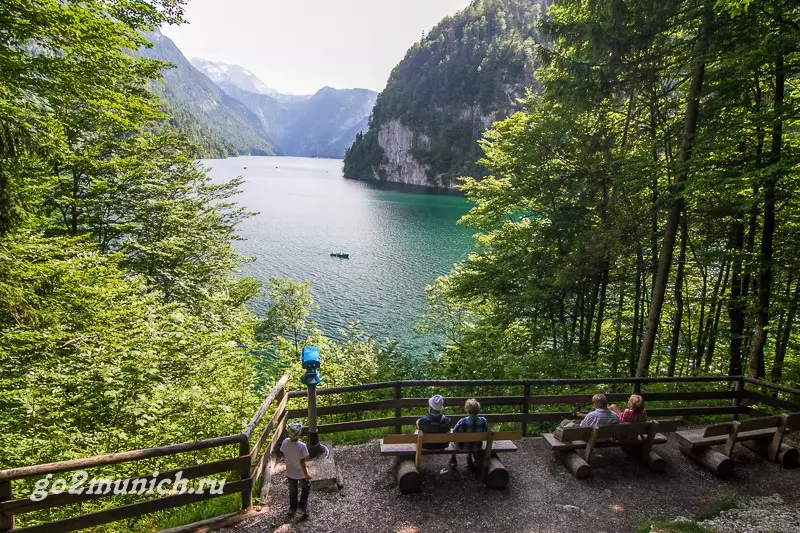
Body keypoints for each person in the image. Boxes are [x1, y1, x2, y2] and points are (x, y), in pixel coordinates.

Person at [280, 419, 311, 521]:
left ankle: (292, 508)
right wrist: (306, 474)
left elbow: (284, 453)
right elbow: (302, 462)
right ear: (300, 433)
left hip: (290, 471)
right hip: (300, 473)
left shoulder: (285, 442)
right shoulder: (302, 446)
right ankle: (302, 508)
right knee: (306, 487)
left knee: (293, 490)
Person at [450, 398, 489, 471]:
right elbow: (486, 431)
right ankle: (469, 458)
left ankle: (453, 459)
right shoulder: (483, 420)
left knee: (453, 439)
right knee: (472, 441)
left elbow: (455, 432)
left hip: (462, 446)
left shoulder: (463, 421)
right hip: (477, 446)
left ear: (467, 410)